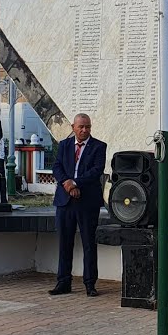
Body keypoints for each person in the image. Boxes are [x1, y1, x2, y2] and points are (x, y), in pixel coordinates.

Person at [49, 113, 107, 297]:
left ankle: (90, 283)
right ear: (73, 127)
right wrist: (67, 183)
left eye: (87, 127)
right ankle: (63, 282)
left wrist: (75, 183)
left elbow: (96, 170)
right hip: (65, 200)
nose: (84, 130)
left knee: (89, 243)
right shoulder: (64, 145)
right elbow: (57, 167)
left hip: (87, 201)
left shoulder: (99, 146)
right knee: (64, 243)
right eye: (81, 126)